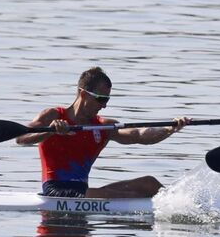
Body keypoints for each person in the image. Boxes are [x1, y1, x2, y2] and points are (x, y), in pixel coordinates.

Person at [16, 67, 189, 198]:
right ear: (82, 94)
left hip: (85, 192)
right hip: (55, 191)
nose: (104, 105)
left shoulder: (103, 126)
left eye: (107, 99)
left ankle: (185, 205)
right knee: (109, 195)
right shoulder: (52, 116)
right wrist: (50, 132)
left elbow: (139, 135)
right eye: (100, 99)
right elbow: (21, 138)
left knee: (149, 184)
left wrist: (170, 129)